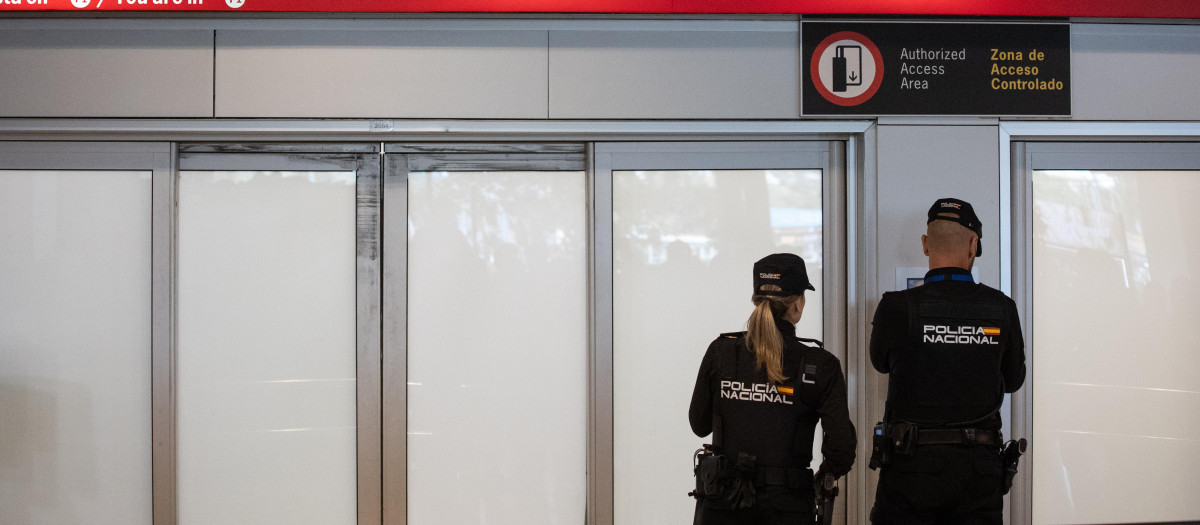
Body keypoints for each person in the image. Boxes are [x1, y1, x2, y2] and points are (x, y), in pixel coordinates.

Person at [868, 198, 1027, 525]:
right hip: (977, 472)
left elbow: (880, 363)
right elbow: (1013, 381)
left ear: (925, 245)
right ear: (974, 245)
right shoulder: (1001, 308)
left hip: (910, 467)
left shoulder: (896, 307)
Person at [689, 253, 856, 524]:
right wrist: (820, 477)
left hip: (722, 503)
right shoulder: (819, 363)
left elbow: (699, 425)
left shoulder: (721, 351)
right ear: (798, 305)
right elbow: (841, 449)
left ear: (756, 301)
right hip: (787, 506)